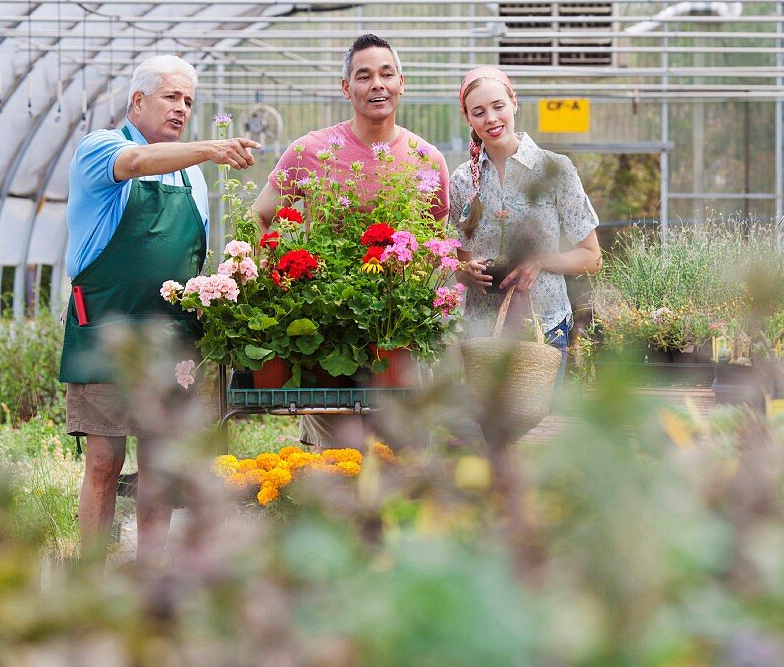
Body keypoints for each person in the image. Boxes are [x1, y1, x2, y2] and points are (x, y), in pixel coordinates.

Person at [59, 55, 261, 563]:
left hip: (174, 340)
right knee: (105, 461)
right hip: (106, 331)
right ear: (137, 101)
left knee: (159, 464)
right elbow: (137, 163)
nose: (182, 108)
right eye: (172, 96)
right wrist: (210, 149)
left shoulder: (192, 178)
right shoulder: (100, 148)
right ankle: (91, 573)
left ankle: (152, 572)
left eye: (189, 101)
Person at [251, 33, 450, 448]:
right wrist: (271, 269)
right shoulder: (311, 150)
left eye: (386, 73)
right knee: (337, 461)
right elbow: (259, 216)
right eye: (364, 76)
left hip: (397, 331)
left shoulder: (425, 158)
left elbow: (437, 244)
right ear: (347, 88)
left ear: (401, 82)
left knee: (398, 458)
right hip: (326, 332)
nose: (377, 84)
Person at [452, 66, 601, 379]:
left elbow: (592, 257)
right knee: (488, 428)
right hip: (483, 333)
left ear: (513, 102)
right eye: (478, 112)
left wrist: (540, 261)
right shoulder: (463, 181)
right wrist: (469, 272)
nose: (491, 119)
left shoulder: (555, 169)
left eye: (498, 106)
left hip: (544, 327)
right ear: (468, 118)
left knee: (538, 421)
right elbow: (459, 262)